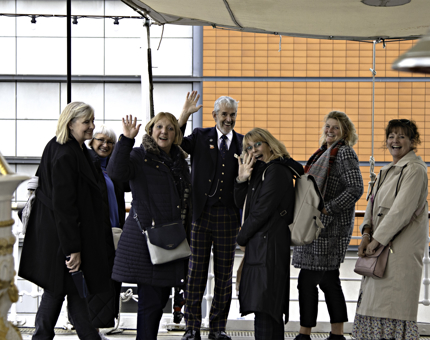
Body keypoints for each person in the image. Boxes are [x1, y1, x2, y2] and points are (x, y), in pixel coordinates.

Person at [18, 102, 114, 340]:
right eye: (87, 122)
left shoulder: (65, 147)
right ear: (71, 124)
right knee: (59, 290)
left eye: (92, 121)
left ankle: (86, 335)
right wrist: (73, 249)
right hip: (64, 238)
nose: (92, 126)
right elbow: (64, 207)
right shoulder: (65, 154)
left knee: (71, 290)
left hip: (58, 235)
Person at [107, 113, 191, 340]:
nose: (164, 132)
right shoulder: (139, 156)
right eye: (159, 127)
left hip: (172, 240)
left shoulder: (179, 160)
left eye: (171, 129)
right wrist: (126, 139)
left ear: (176, 135)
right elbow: (115, 173)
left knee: (158, 302)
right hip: (149, 242)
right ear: (151, 131)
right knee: (151, 303)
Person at [352, 119, 428, 340]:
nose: (395, 141)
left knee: (393, 309)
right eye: (391, 136)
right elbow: (371, 205)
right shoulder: (386, 171)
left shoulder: (414, 170)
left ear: (413, 141)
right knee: (374, 306)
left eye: (402, 136)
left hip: (397, 253)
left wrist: (375, 242)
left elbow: (400, 212)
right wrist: (366, 234)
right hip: (379, 249)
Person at [292, 110, 363, 340]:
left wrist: (327, 208)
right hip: (317, 226)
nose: (330, 130)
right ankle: (336, 334)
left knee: (308, 281)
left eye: (336, 127)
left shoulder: (344, 154)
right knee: (328, 281)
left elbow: (356, 188)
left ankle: (307, 334)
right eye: (328, 126)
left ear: (345, 132)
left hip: (328, 228)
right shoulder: (323, 153)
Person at [178, 92, 243, 340]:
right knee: (195, 272)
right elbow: (177, 142)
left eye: (232, 115)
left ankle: (218, 328)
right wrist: (184, 114)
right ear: (214, 115)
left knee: (224, 275)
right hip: (200, 215)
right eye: (224, 114)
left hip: (228, 216)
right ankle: (192, 327)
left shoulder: (242, 142)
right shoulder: (200, 136)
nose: (229, 119)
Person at [234, 128, 304, 340]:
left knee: (265, 308)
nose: (253, 150)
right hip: (263, 246)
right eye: (248, 147)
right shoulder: (261, 171)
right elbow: (240, 204)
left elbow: (261, 211)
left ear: (269, 144)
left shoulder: (276, 171)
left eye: (257, 144)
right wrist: (242, 179)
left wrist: (241, 237)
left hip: (269, 247)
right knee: (266, 309)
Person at [86, 125, 127, 330]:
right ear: (91, 142)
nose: (105, 145)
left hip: (115, 232)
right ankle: (93, 326)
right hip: (94, 234)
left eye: (110, 142)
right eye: (100, 140)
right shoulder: (85, 165)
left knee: (113, 280)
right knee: (96, 281)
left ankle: (107, 322)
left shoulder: (114, 168)